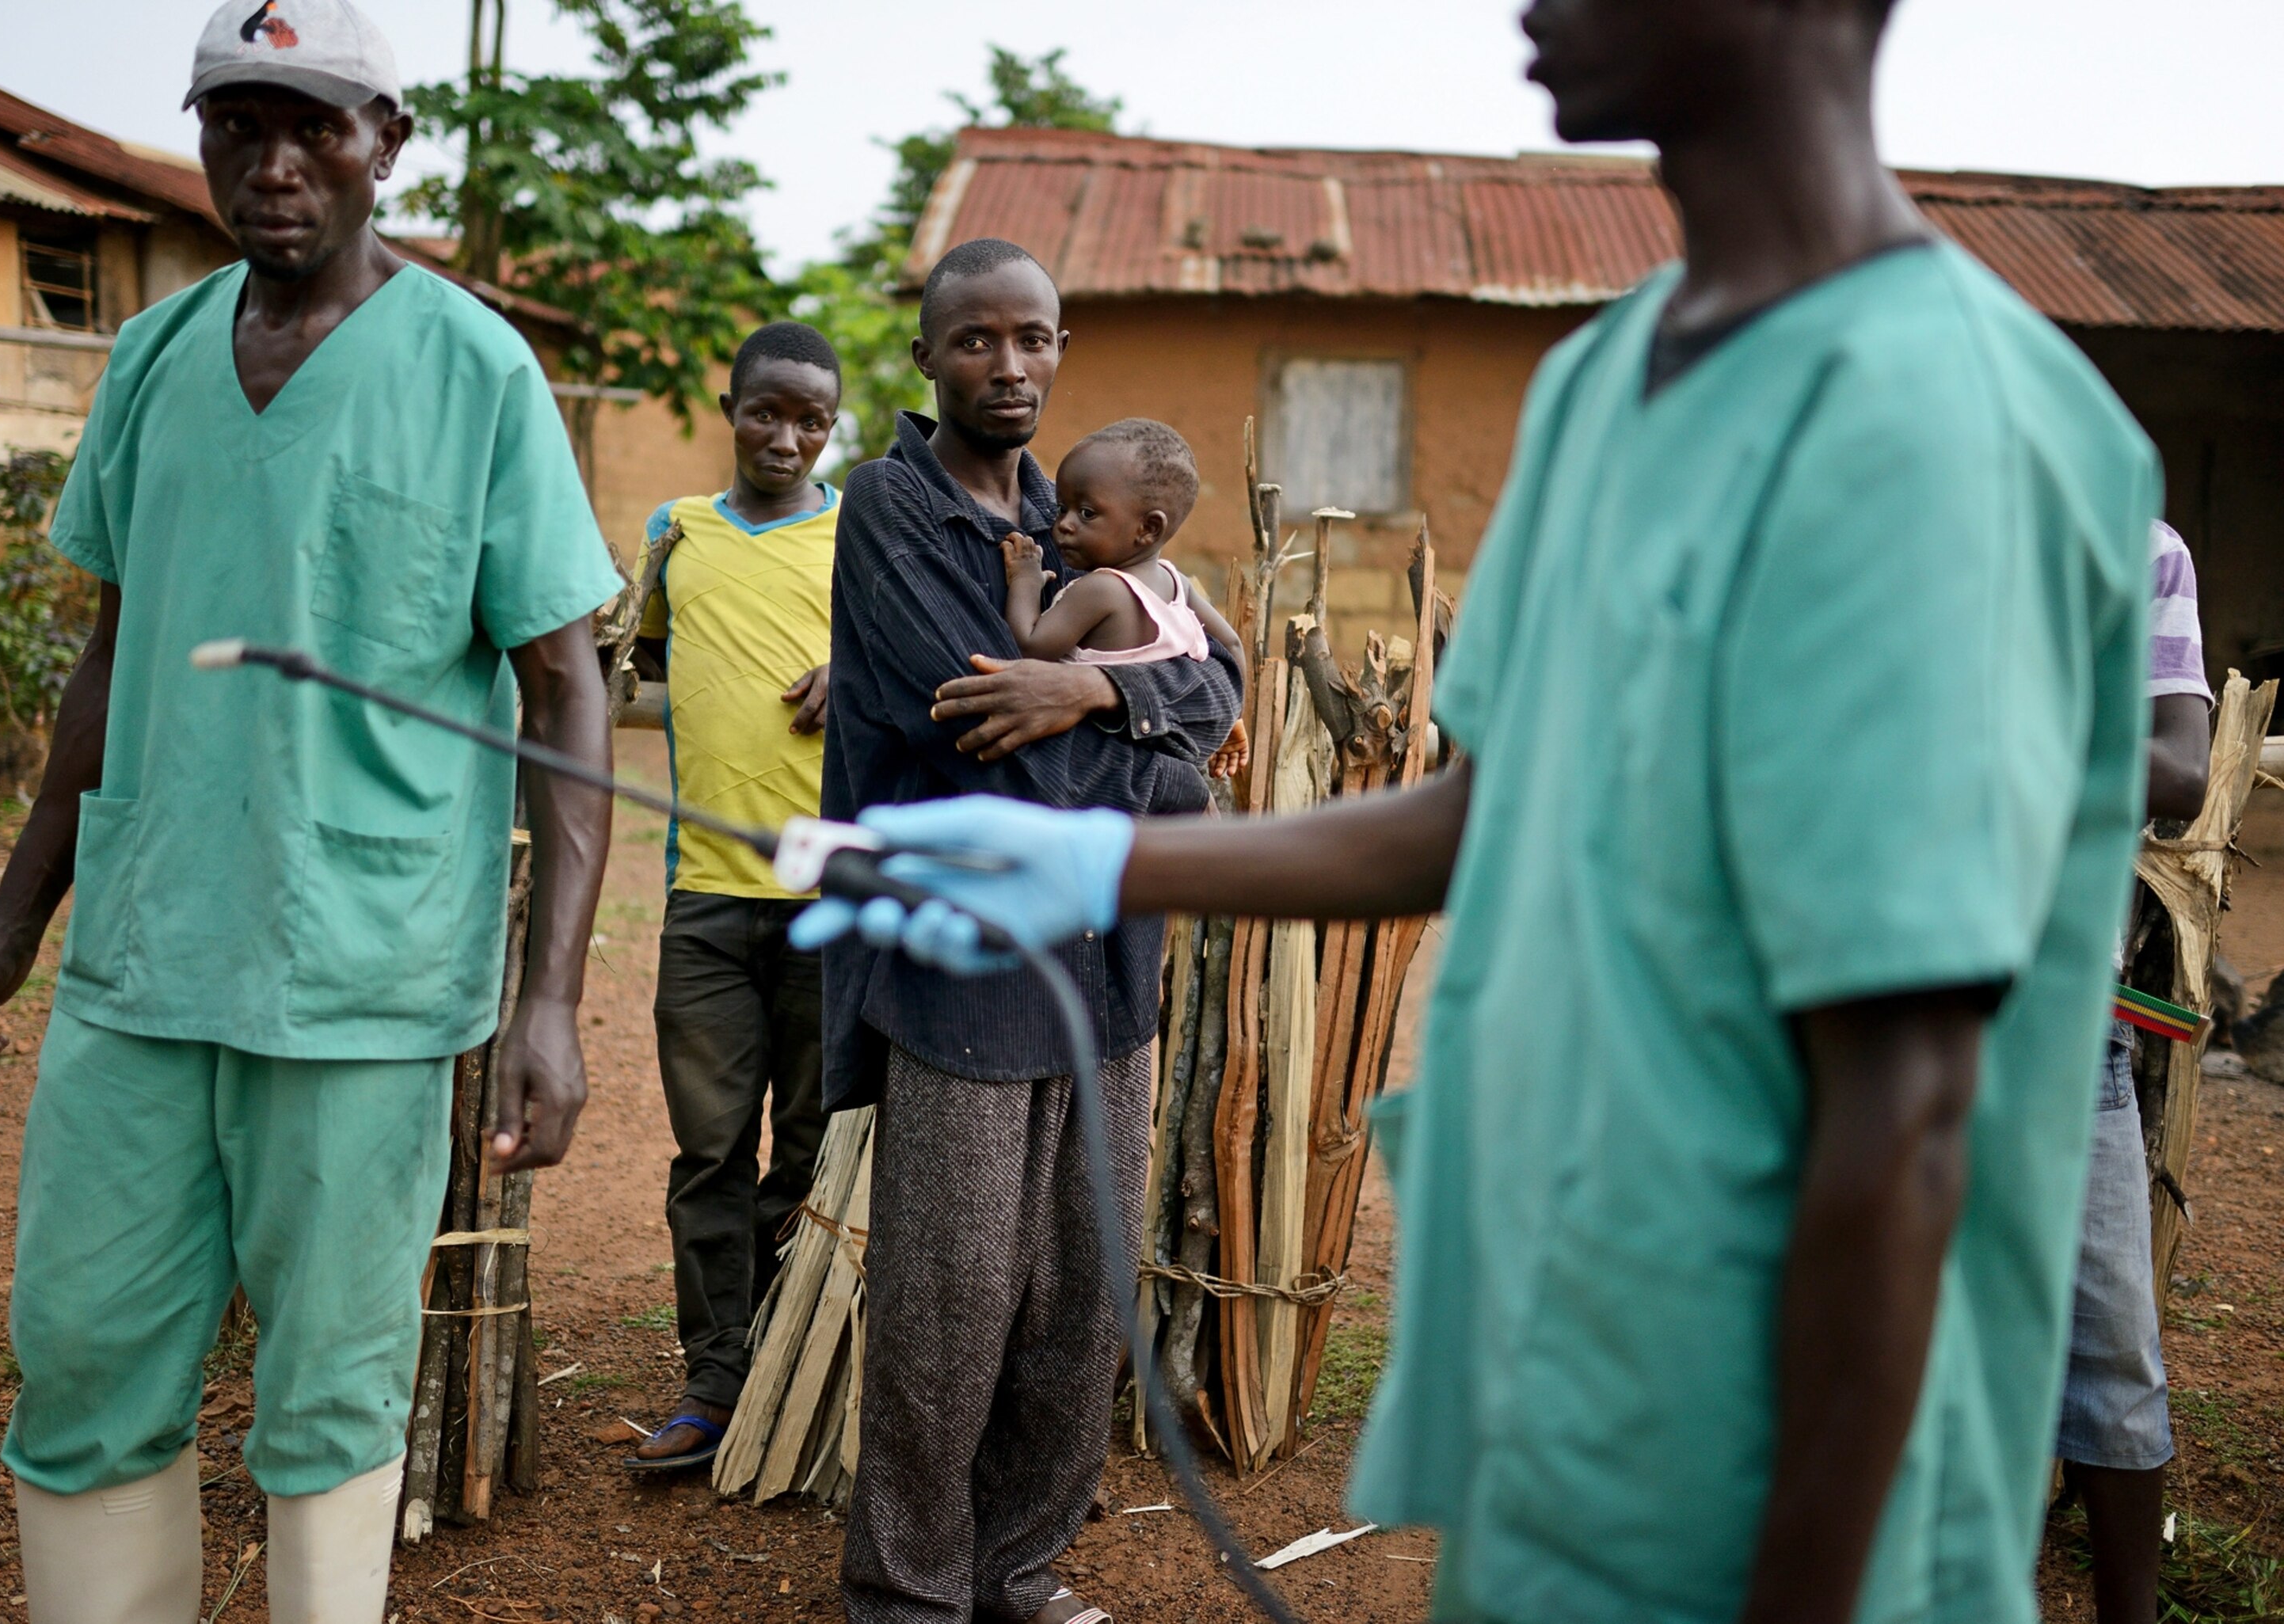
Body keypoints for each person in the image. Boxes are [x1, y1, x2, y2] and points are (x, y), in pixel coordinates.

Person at [796, 2, 2163, 1620]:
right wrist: (1101, 849)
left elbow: (1911, 1105)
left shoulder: (1940, 418)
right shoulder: (1605, 383)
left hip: (1796, 1473)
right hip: (1567, 1385)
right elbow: (1488, 806)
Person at [0, 3, 622, 1618]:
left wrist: (552, 1000)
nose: (276, 161)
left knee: (330, 1386)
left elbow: (570, 686)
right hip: (145, 959)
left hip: (358, 973)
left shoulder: (475, 369)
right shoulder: (155, 354)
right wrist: (11, 924)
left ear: (388, 143)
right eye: (240, 124)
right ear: (205, 137)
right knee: (83, 1350)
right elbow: (112, 653)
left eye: (317, 126)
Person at [814, 238, 1239, 1624]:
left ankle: (1018, 1565)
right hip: (965, 972)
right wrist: (1164, 767)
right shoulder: (891, 510)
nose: (1010, 367)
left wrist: (1106, 704)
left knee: (1079, 1295)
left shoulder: (1086, 511)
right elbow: (991, 737)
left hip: (1105, 970)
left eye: (1035, 338)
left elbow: (1217, 675)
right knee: (949, 1301)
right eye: (978, 341)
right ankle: (910, 1593)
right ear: (927, 355)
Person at [621, 320, 843, 1474]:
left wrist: (855, 665)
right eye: (768, 411)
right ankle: (713, 1375)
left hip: (825, 891)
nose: (788, 436)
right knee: (709, 1149)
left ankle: (788, 1366)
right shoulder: (677, 533)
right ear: (731, 404)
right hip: (702, 888)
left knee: (806, 1144)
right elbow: (640, 662)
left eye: (813, 418)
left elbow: (924, 664)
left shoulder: (862, 531)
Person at [2058, 520, 2214, 1622]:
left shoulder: (2140, 552)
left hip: (2063, 1032)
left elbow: (2182, 768)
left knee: (2114, 1354)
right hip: (1879, 1017)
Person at [1002, 419, 1248, 788]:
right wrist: (1229, 717)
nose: (1064, 525)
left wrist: (1024, 578)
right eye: (1061, 509)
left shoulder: (1101, 590)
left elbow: (1031, 646)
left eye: (1087, 513)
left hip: (1096, 773)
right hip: (1166, 771)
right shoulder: (1176, 584)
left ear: (1148, 528)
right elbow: (1231, 645)